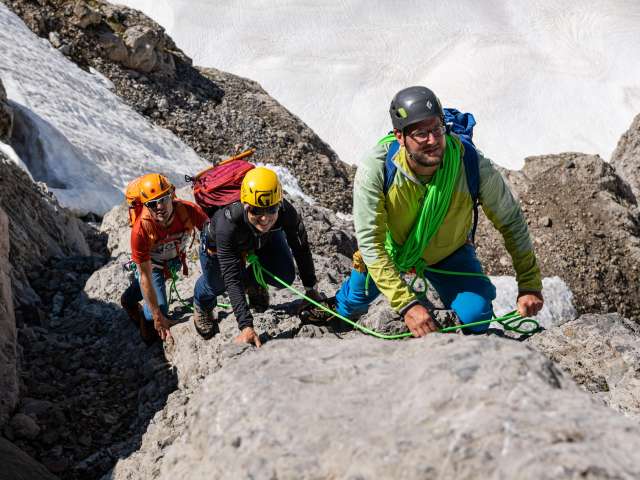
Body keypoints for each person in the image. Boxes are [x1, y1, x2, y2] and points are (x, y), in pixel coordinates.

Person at [333, 86, 544, 336]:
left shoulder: (469, 163)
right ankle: (338, 310)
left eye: (436, 129)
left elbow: (511, 221)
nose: (433, 140)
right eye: (421, 134)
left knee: (476, 316)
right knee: (350, 305)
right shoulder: (377, 168)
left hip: (449, 252)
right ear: (400, 136)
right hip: (392, 250)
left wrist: (529, 284)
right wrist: (407, 304)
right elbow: (370, 241)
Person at [192, 166, 323, 347]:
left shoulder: (285, 212)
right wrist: (246, 326)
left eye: (272, 209)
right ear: (245, 204)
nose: (265, 218)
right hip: (218, 246)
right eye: (256, 210)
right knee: (217, 284)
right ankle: (202, 302)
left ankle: (252, 282)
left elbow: (300, 248)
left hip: (259, 238)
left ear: (279, 203)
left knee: (284, 273)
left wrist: (311, 289)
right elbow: (231, 276)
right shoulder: (227, 224)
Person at [121, 173, 208, 344]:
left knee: (152, 295)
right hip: (152, 266)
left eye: (163, 199)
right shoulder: (140, 230)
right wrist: (156, 316)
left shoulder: (188, 211)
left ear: (172, 195)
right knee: (157, 312)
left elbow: (212, 234)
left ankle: (130, 299)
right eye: (152, 203)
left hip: (172, 261)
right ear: (146, 205)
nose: (159, 206)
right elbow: (145, 275)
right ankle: (135, 310)